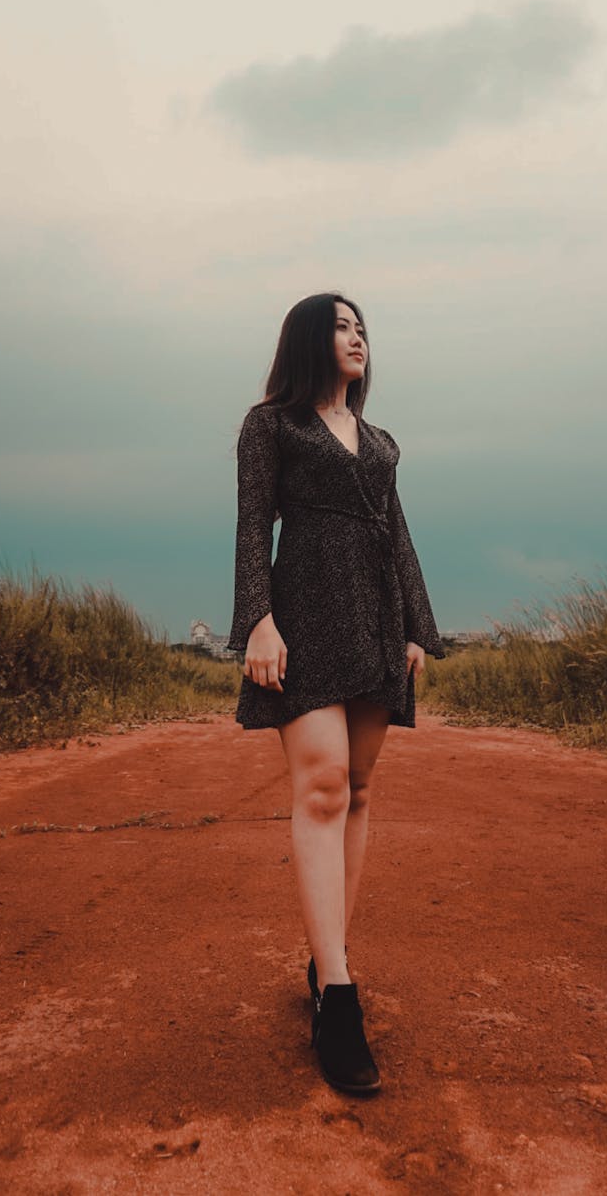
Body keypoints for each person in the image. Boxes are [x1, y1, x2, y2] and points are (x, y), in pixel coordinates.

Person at [228, 292, 445, 1094]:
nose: (356, 338)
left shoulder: (381, 442)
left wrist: (418, 627)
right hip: (307, 614)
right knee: (319, 786)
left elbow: (399, 531)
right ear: (311, 341)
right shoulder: (271, 424)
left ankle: (327, 965)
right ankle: (342, 1001)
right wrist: (257, 618)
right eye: (342, 326)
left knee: (356, 790)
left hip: (379, 620)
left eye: (363, 328)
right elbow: (254, 522)